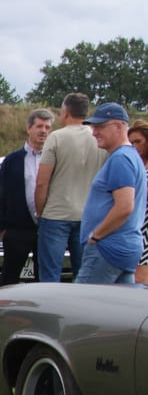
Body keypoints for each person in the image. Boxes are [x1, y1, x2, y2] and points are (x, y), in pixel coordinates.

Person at [34, 93, 105, 281]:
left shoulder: (56, 138)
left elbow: (42, 181)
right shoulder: (98, 137)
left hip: (56, 214)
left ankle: (49, 307)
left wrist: (40, 211)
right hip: (88, 214)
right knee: (83, 273)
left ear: (65, 112)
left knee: (50, 272)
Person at [75, 103, 146, 286]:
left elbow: (124, 206)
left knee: (81, 305)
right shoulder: (130, 156)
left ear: (118, 126)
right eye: (93, 127)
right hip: (124, 247)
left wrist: (96, 236)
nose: (94, 133)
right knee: (119, 309)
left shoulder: (121, 159)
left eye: (99, 127)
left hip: (108, 247)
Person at [0, 108, 53, 285]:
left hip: (46, 228)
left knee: (43, 276)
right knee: (10, 275)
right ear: (29, 128)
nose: (43, 131)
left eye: (47, 127)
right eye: (39, 126)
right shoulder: (13, 160)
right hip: (17, 229)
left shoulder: (53, 158)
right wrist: (3, 226)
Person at [129, 120, 148, 285]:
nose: (135, 146)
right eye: (132, 142)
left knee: (141, 277)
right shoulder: (135, 164)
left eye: (138, 141)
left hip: (144, 226)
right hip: (136, 225)